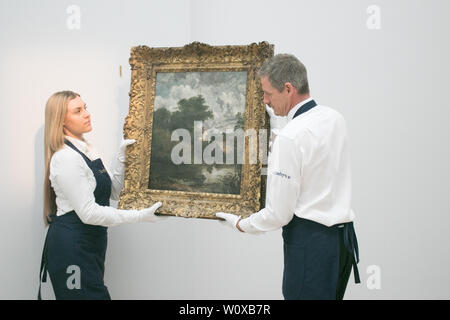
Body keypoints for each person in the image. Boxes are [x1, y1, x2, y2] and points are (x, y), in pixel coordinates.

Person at [216, 54, 360, 300]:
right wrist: (280, 134)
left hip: (310, 246)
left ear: (288, 89)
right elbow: (316, 168)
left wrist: (242, 225)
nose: (265, 100)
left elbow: (278, 214)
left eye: (268, 93)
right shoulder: (335, 118)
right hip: (342, 244)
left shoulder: (291, 137)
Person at [38, 90, 164, 300]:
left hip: (90, 245)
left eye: (85, 107)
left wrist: (122, 158)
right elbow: (88, 213)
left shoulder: (87, 150)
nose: (87, 114)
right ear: (61, 121)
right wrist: (139, 215)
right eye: (78, 111)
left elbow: (112, 192)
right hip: (72, 248)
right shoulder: (66, 157)